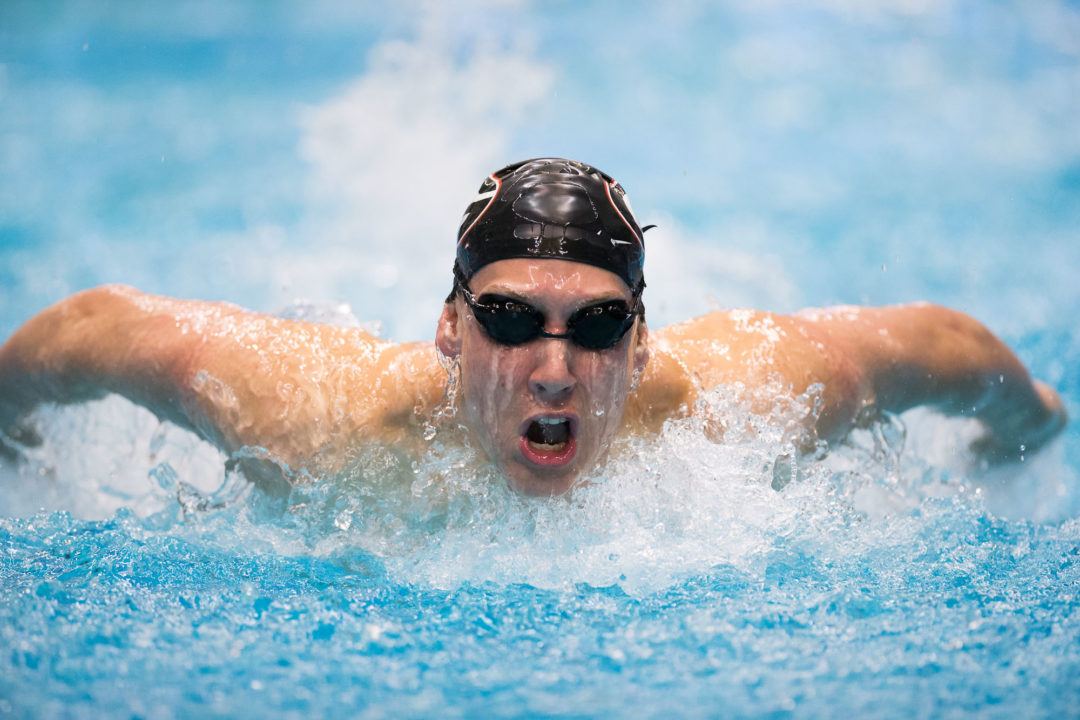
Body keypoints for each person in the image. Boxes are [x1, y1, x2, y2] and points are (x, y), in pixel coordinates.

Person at [0, 158, 1067, 496]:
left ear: (642, 345)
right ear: (449, 330)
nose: (555, 368)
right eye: (510, 319)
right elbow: (101, 327)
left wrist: (1033, 423)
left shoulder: (733, 412)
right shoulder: (322, 423)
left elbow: (942, 346)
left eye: (598, 327)